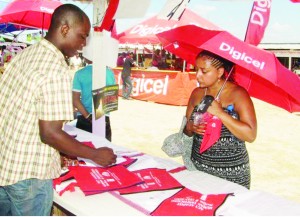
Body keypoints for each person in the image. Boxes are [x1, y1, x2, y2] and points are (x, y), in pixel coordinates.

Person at [0, 4, 117, 216]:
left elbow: (20, 115)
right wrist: (94, 154)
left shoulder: (26, 55)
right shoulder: (55, 68)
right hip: (29, 176)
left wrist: (57, 155)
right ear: (64, 29)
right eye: (82, 37)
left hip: (6, 165)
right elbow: (50, 133)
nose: (83, 45)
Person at [183, 50, 257, 189]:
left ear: (220, 72)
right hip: (198, 169)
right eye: (196, 69)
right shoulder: (197, 94)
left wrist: (220, 113)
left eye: (204, 71)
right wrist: (190, 128)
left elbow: (250, 135)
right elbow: (186, 131)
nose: (198, 75)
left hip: (231, 175)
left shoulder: (238, 95)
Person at [73, 33, 116, 141]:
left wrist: (88, 116)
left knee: (83, 153)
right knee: (104, 151)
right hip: (103, 117)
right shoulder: (109, 73)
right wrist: (98, 116)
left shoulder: (80, 74)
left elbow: (75, 100)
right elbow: (111, 100)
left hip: (84, 118)